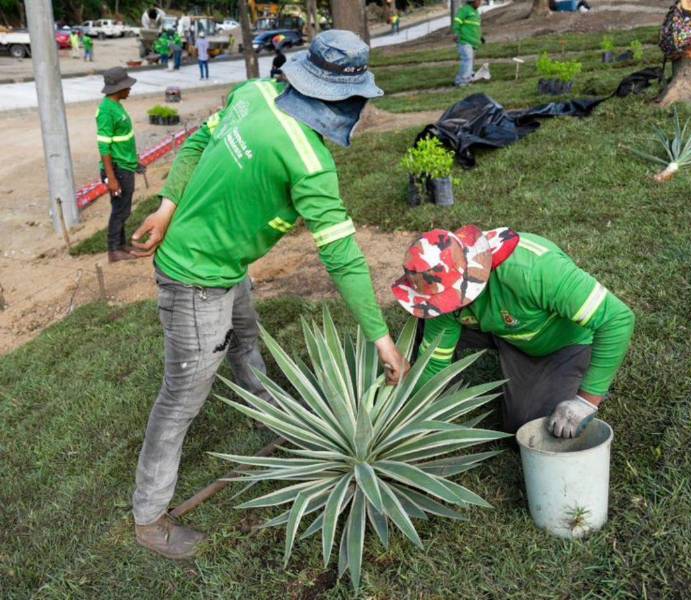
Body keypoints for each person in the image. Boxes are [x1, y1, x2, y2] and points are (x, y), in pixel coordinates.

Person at [129, 30, 410, 560]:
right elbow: (343, 257)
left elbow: (198, 141)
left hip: (225, 265)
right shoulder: (310, 164)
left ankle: (275, 426)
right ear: (343, 98)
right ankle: (149, 516)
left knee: (247, 344)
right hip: (195, 278)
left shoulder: (254, 92)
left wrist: (168, 207)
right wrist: (380, 338)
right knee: (182, 395)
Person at [392, 226, 635, 438]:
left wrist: (586, 401)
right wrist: (406, 409)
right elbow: (435, 360)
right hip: (507, 330)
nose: (443, 306)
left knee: (527, 426)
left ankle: (580, 377)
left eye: (447, 299)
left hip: (564, 342)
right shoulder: (441, 284)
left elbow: (617, 319)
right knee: (425, 321)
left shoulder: (532, 270)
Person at [96, 68, 140, 263]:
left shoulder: (117, 105)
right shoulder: (106, 111)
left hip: (125, 165)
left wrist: (135, 160)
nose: (130, 89)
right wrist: (111, 177)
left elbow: (123, 139)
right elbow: (103, 146)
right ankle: (113, 249)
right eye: (127, 86)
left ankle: (121, 245)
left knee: (124, 209)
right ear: (118, 88)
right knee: (120, 210)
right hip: (117, 169)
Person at [453, 0, 483, 87]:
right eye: (479, 1)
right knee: (467, 59)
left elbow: (476, 27)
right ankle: (462, 81)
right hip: (465, 40)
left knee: (471, 61)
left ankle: (467, 78)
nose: (480, 3)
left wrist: (480, 37)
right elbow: (457, 21)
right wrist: (456, 33)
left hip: (474, 42)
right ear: (472, 1)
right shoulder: (465, 10)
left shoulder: (476, 12)